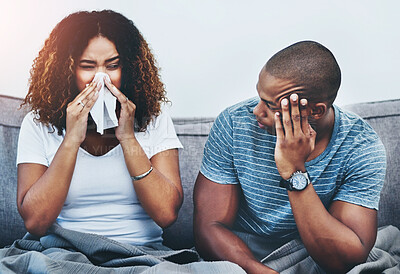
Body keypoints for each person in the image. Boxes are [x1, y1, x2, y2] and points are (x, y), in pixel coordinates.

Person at [194, 41, 386, 273]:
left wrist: (294, 171)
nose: (256, 111)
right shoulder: (235, 124)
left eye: (269, 105)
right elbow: (209, 227)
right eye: (259, 97)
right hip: (240, 255)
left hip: (312, 251)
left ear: (315, 111)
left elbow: (343, 260)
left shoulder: (360, 146)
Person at [17, 10, 184, 247]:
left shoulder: (154, 119)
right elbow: (35, 222)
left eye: (112, 65)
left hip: (142, 253)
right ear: (66, 70)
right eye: (88, 66)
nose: (101, 79)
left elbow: (167, 214)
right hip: (65, 251)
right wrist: (72, 139)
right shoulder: (38, 124)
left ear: (129, 68)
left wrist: (128, 138)